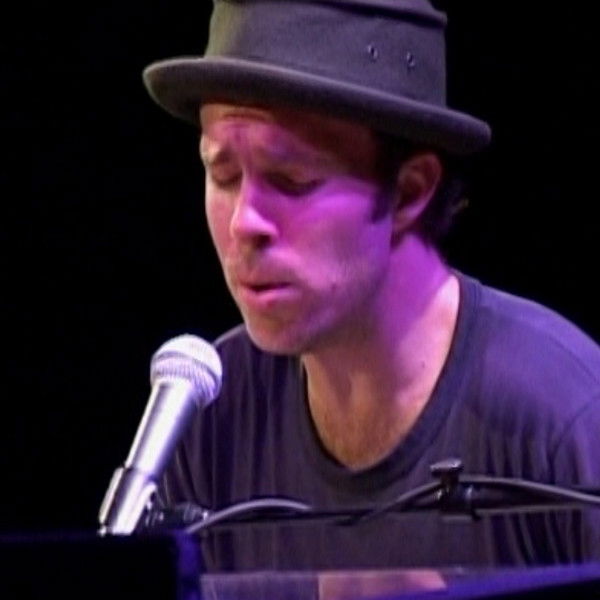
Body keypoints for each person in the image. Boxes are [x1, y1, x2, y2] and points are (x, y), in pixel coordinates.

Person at [141, 0, 600, 572]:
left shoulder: (565, 415)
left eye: (292, 179)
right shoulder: (211, 417)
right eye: (223, 174)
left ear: (409, 192)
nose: (244, 222)